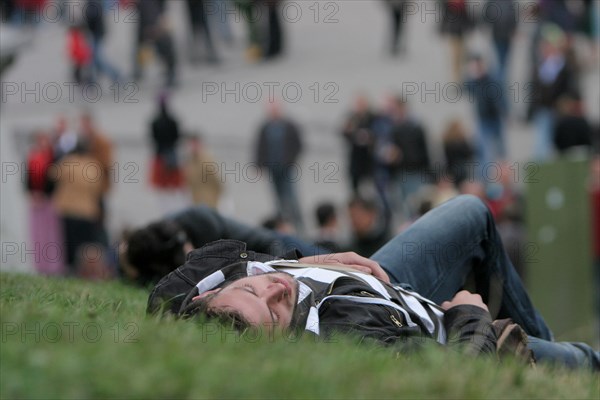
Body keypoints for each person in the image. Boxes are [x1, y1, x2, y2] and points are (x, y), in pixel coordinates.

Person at [153, 195, 599, 371]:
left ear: (209, 294)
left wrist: (309, 261)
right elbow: (459, 376)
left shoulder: (193, 296)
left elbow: (169, 293)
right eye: (276, 313)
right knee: (583, 363)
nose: (276, 289)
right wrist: (471, 315)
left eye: (253, 289)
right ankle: (551, 352)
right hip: (419, 312)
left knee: (471, 212)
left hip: (375, 274)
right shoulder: (347, 339)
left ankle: (542, 340)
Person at [121, 205, 325, 286]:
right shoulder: (157, 244)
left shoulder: (202, 224)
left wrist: (273, 273)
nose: (188, 254)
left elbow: (271, 243)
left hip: (280, 247)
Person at [255, 102, 304, 234]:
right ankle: (282, 226)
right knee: (277, 199)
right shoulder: (265, 127)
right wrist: (259, 165)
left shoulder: (289, 125)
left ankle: (298, 227)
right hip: (272, 168)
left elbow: (298, 145)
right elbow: (260, 146)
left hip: (286, 168)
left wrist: (292, 160)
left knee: (291, 198)